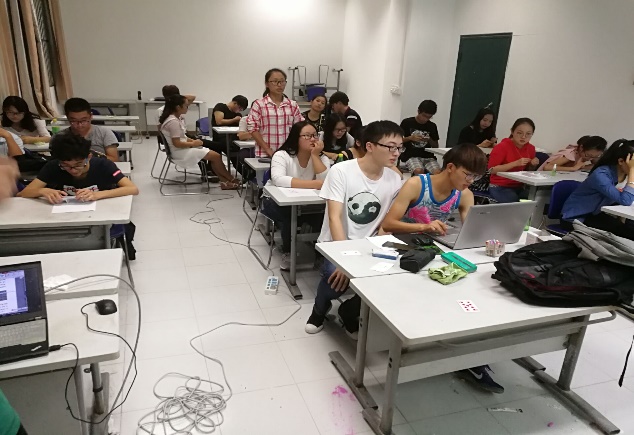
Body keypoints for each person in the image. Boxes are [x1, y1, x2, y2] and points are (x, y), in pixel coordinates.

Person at [380, 144, 505, 394]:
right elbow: (389, 223)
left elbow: (472, 231)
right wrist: (424, 227)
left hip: (432, 250)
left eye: (476, 177)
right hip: (402, 248)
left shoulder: (464, 194)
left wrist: (490, 238)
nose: (470, 181)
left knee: (468, 289)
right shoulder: (417, 185)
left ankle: (467, 354)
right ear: (450, 167)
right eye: (467, 174)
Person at [304, 120, 404, 336]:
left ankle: (349, 311)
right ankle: (319, 310)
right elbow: (334, 218)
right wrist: (345, 260)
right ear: (370, 146)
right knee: (335, 276)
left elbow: (386, 224)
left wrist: (379, 252)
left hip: (371, 244)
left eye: (399, 147)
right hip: (336, 244)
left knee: (390, 275)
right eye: (391, 147)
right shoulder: (342, 171)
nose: (396, 153)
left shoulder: (394, 179)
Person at [263, 121, 331, 269]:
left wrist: (315, 156)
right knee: (289, 215)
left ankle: (321, 254)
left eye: (315, 135)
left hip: (308, 203)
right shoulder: (282, 155)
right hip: (274, 201)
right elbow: (279, 179)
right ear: (296, 137)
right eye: (307, 136)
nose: (312, 139)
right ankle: (287, 251)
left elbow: (326, 181)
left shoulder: (322, 158)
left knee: (326, 213)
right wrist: (313, 184)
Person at [18, 133, 139, 203]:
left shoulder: (104, 165)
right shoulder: (53, 167)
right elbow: (23, 193)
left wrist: (97, 195)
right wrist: (42, 191)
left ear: (89, 157)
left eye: (78, 164)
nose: (73, 170)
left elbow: (132, 189)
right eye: (66, 165)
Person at [159, 95, 239, 189]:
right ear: (178, 107)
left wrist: (193, 141)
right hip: (180, 152)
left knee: (215, 156)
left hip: (181, 149)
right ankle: (230, 179)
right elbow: (177, 143)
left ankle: (225, 181)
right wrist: (193, 144)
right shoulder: (173, 122)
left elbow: (182, 137)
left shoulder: (174, 119)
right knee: (216, 156)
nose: (187, 108)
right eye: (186, 106)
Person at [562, 139, 634, 240]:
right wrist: (632, 171)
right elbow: (625, 200)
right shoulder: (601, 174)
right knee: (626, 235)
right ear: (621, 161)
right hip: (577, 218)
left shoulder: (626, 175)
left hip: (596, 215)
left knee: (629, 231)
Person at [247, 68, 304, 157]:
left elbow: (299, 127)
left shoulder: (292, 105)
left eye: (282, 81)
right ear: (267, 84)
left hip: (288, 154)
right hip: (265, 154)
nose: (279, 85)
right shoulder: (259, 104)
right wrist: (267, 149)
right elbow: (253, 129)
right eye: (275, 81)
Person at [487, 117, 539, 203]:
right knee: (514, 202)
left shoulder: (531, 148)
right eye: (519, 133)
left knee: (533, 200)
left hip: (519, 186)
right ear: (512, 131)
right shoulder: (502, 147)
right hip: (499, 186)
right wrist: (515, 163)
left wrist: (532, 165)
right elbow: (491, 170)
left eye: (528, 134)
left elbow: (528, 171)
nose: (523, 137)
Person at [400, 100, 441, 175]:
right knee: (419, 171)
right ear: (418, 111)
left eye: (429, 117)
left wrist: (429, 139)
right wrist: (410, 138)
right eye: (424, 116)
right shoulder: (407, 122)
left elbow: (436, 146)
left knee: (438, 173)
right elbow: (398, 141)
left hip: (428, 156)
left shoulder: (432, 126)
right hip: (411, 155)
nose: (425, 119)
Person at [539, 135, 607, 172]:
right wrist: (573, 168)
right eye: (588, 155)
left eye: (594, 157)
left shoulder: (586, 155)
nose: (589, 159)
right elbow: (547, 167)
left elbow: (597, 166)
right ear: (581, 148)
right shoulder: (570, 154)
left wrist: (583, 167)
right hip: (542, 180)